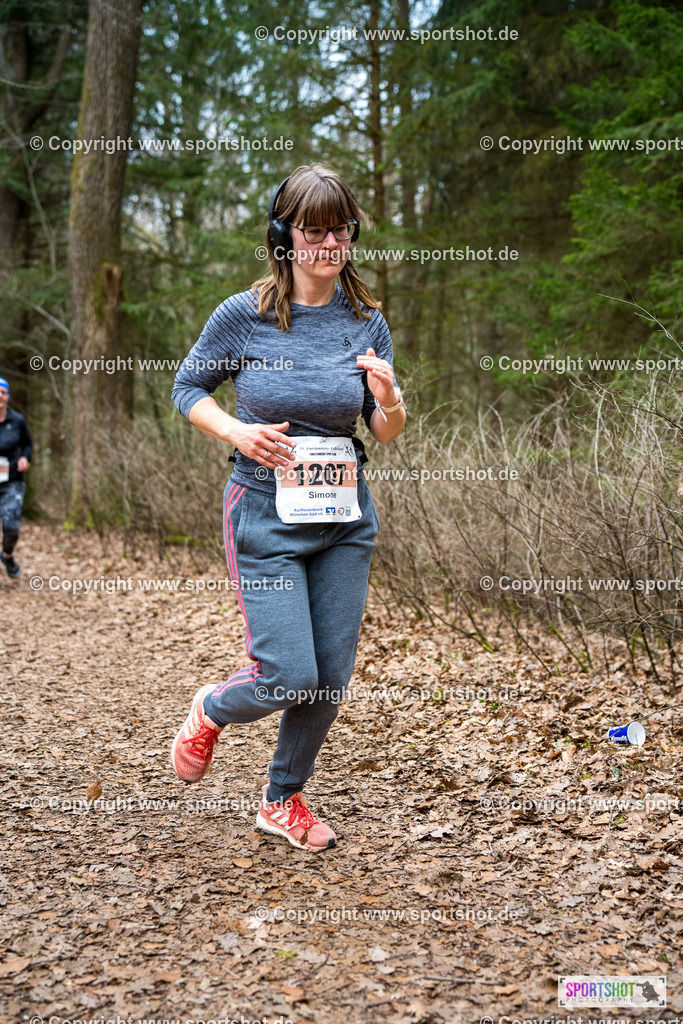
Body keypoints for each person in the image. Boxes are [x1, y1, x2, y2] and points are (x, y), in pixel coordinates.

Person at [170, 164, 406, 851]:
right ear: (285, 234)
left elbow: (385, 430)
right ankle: (211, 706)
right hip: (265, 515)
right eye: (313, 229)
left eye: (340, 229)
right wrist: (236, 430)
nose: (327, 242)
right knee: (288, 675)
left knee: (328, 680)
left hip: (343, 520)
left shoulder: (366, 321)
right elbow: (189, 387)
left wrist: (388, 398)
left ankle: (282, 800)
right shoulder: (242, 315)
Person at [0, 377, 32, 579]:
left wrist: (25, 458)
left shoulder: (17, 421)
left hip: (11, 479)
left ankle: (7, 555)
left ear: (8, 396)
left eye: (3, 392)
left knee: (11, 527)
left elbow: (28, 445)